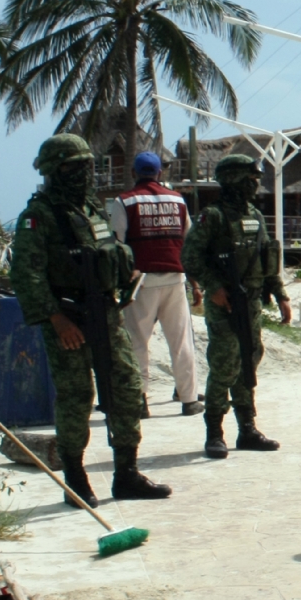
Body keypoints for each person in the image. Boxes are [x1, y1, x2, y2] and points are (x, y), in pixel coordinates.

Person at [9, 134, 173, 506]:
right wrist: (56, 319)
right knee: (76, 397)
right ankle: (75, 476)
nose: (83, 174)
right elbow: (26, 275)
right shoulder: (39, 216)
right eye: (73, 167)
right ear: (53, 171)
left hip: (106, 314)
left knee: (127, 389)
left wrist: (122, 271)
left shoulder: (91, 208)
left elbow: (108, 250)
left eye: (86, 166)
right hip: (68, 318)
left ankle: (127, 474)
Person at [181, 154, 290, 459]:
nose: (255, 184)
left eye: (257, 179)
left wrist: (280, 295)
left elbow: (268, 259)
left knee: (248, 362)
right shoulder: (212, 217)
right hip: (226, 303)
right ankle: (214, 432)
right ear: (232, 180)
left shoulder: (255, 214)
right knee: (225, 365)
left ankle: (248, 429)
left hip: (252, 302)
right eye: (249, 179)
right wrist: (212, 287)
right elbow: (190, 257)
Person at [109, 152, 203, 418]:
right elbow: (189, 244)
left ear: (133, 173)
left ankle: (140, 400)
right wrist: (195, 284)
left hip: (141, 282)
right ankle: (189, 399)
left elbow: (117, 245)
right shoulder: (177, 200)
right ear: (160, 173)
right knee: (182, 342)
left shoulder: (124, 202)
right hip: (176, 279)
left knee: (138, 342)